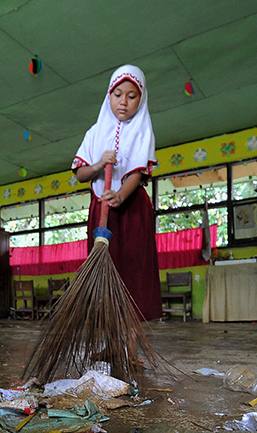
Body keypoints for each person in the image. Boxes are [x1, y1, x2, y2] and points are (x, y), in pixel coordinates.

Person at [72, 65, 162, 322]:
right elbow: (80, 174)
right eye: (117, 94)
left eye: (132, 96)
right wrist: (99, 164)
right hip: (101, 211)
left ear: (141, 99)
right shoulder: (94, 133)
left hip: (131, 211)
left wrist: (121, 195)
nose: (123, 102)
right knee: (101, 279)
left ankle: (130, 346)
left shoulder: (143, 131)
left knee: (132, 274)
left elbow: (137, 172)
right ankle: (105, 344)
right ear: (108, 95)